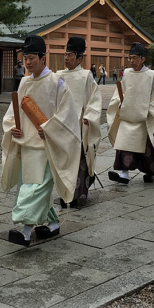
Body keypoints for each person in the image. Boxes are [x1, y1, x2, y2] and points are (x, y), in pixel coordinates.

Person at [1, 35, 81, 246]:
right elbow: (13, 111)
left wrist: (50, 130)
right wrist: (13, 128)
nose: (27, 63)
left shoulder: (57, 83)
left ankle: (26, 231)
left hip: (46, 145)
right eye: (25, 58)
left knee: (35, 188)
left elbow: (67, 115)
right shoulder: (24, 82)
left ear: (43, 58)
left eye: (32, 58)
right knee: (29, 186)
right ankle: (52, 223)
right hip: (26, 145)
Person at [106, 42, 154, 185]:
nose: (131, 61)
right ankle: (124, 174)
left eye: (135, 58)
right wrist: (119, 102)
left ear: (142, 59)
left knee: (146, 149)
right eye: (130, 58)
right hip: (127, 115)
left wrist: (151, 110)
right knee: (124, 145)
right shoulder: (127, 74)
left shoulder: (152, 75)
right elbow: (120, 93)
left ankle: (149, 173)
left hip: (144, 117)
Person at [55, 37, 102, 208]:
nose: (66, 58)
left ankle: (76, 194)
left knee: (79, 160)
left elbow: (94, 100)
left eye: (70, 55)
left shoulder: (86, 76)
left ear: (79, 58)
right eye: (65, 54)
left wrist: (89, 116)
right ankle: (63, 191)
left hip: (79, 124)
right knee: (63, 159)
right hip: (62, 124)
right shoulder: (58, 75)